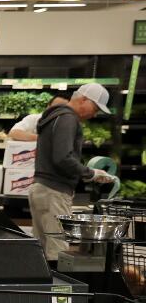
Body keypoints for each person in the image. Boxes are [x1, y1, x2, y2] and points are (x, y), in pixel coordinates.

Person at [29, 83, 116, 261]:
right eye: (95, 107)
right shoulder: (68, 118)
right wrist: (90, 173)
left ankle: (43, 287)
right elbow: (63, 158)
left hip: (41, 188)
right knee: (58, 253)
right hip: (55, 192)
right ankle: (58, 290)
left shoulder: (55, 116)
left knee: (40, 252)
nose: (95, 114)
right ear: (84, 99)